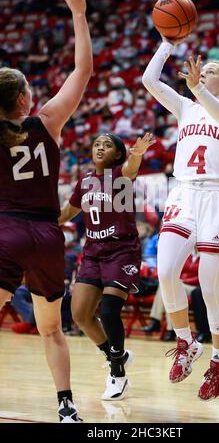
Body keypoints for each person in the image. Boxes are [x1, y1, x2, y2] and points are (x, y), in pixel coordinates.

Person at [142, 36, 219, 400]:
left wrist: (197, 88)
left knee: (209, 288)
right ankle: (186, 342)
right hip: (185, 194)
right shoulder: (186, 107)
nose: (201, 73)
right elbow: (149, 80)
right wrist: (166, 43)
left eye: (209, 72)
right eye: (200, 70)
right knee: (165, 273)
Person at [0, 0, 93, 423]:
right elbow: (83, 72)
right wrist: (77, 14)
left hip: (9, 230)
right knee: (52, 330)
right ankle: (67, 407)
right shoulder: (48, 121)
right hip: (48, 235)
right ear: (23, 98)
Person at [59, 132, 154, 400]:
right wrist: (40, 221)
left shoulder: (119, 176)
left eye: (107, 145)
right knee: (80, 314)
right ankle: (118, 355)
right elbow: (67, 213)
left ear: (117, 154)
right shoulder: (85, 181)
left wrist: (137, 154)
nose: (100, 147)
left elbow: (131, 168)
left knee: (110, 311)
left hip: (121, 250)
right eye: (97, 143)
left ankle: (117, 374)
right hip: (92, 252)